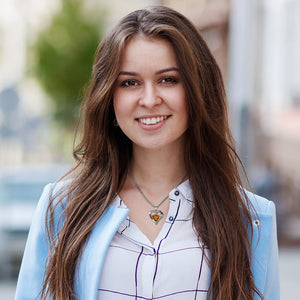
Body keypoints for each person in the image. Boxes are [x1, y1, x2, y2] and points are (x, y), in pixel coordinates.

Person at [15, 6, 279, 300]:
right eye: (130, 83)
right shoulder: (62, 209)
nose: (150, 99)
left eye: (168, 79)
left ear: (197, 90)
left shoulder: (250, 218)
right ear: (109, 96)